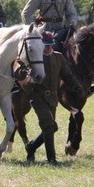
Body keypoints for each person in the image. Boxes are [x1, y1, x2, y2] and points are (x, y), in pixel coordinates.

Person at [23, 31, 84, 164]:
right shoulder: (34, 58)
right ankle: (52, 159)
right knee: (48, 126)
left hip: (53, 98)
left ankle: (31, 147)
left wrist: (78, 88)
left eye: (50, 45)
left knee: (52, 128)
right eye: (46, 45)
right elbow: (25, 76)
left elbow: (67, 76)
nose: (48, 48)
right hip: (37, 96)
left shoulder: (58, 57)